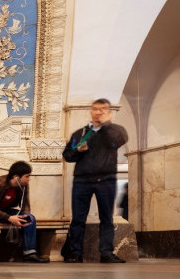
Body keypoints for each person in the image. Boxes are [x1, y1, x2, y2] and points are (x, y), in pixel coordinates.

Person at [62, 98, 129, 264]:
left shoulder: (116, 130)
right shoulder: (81, 133)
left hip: (106, 180)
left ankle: (106, 253)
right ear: (91, 111)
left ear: (109, 112)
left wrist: (106, 125)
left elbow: (115, 142)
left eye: (102, 109)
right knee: (78, 218)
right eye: (95, 109)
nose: (98, 112)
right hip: (82, 181)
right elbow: (68, 155)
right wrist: (78, 150)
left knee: (106, 218)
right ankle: (76, 253)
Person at [0, 161, 49, 263]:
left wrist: (24, 216)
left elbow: (25, 205)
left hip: (4, 210)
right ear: (16, 177)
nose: (28, 179)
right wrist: (9, 218)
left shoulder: (23, 185)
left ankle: (29, 253)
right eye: (27, 176)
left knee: (30, 218)